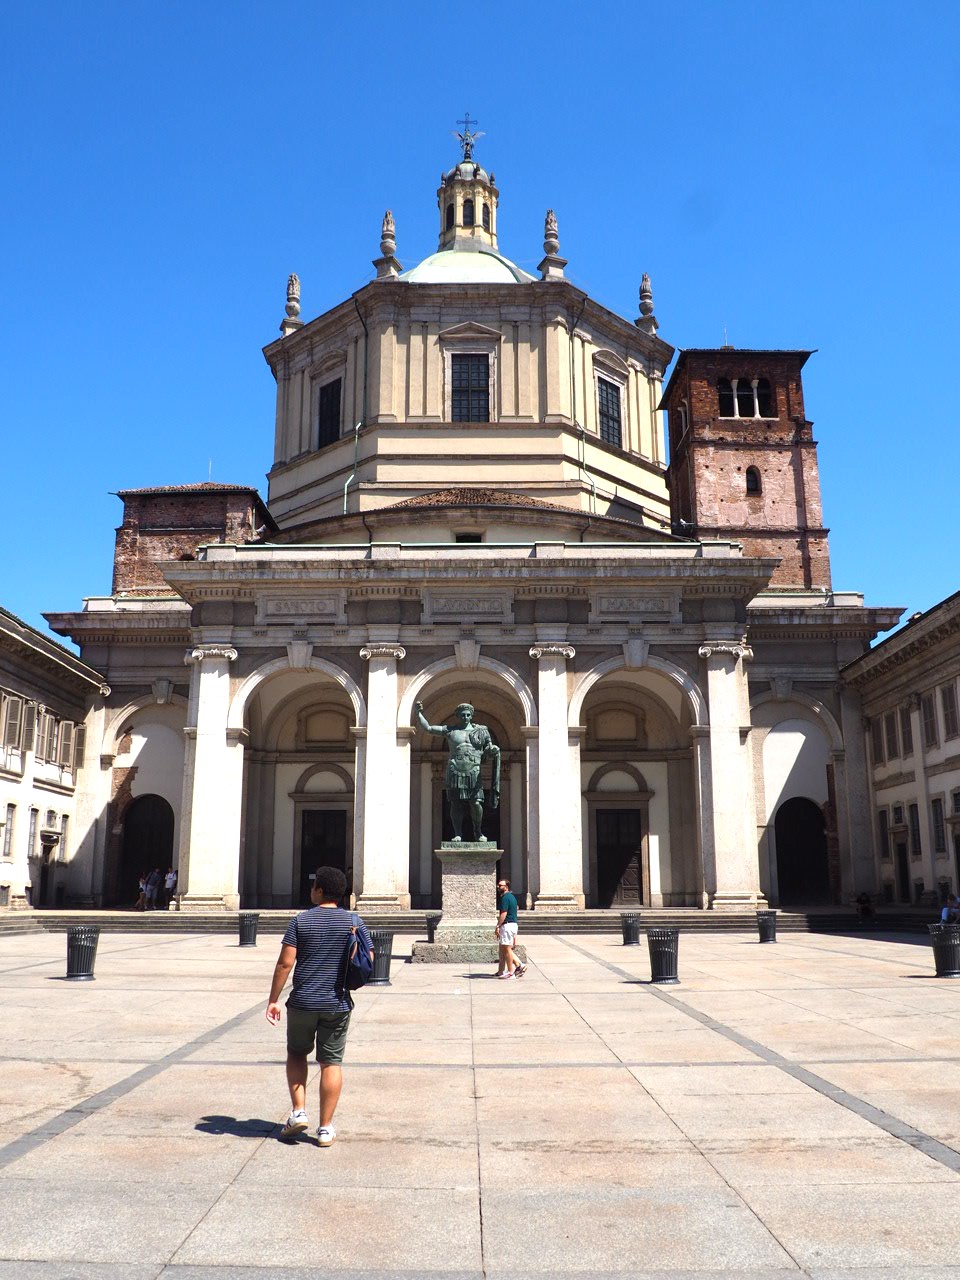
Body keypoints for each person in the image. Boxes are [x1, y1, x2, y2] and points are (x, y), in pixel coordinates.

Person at [266, 865, 373, 1147]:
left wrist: (273, 1000)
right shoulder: (354, 921)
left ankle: (299, 1111)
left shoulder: (301, 921)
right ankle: (325, 1128)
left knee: (297, 1053)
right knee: (331, 1063)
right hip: (337, 1003)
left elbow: (285, 963)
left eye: (314, 887)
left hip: (302, 1002)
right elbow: (369, 956)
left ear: (320, 891)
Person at [414, 701, 500, 842]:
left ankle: (478, 831)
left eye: (468, 715)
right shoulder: (450, 730)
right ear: (457, 716)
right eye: (462, 715)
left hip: (474, 770)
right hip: (455, 769)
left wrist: (493, 750)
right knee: (456, 803)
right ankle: (458, 833)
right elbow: (429, 728)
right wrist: (418, 714)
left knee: (476, 802)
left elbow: (488, 749)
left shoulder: (482, 731)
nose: (465, 717)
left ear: (471, 715)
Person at [495, 876, 525, 979]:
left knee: (506, 949)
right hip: (512, 925)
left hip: (507, 924)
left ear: (506, 887)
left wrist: (498, 926)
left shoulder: (505, 898)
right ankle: (501, 971)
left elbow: (504, 913)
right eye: (498, 885)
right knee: (503, 948)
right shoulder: (512, 897)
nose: (498, 887)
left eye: (500, 885)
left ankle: (512, 970)